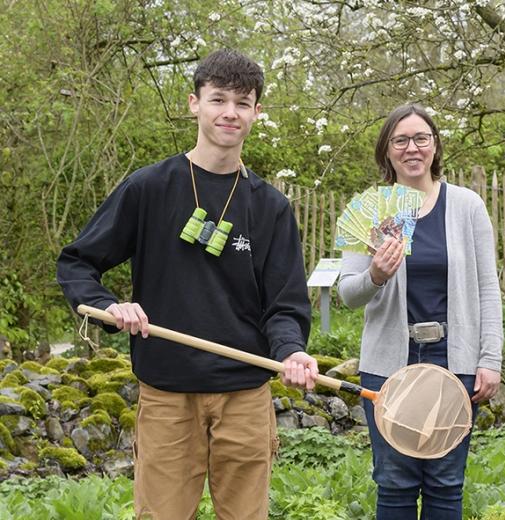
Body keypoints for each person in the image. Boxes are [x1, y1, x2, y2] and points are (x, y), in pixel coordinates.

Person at [56, 49, 318, 519]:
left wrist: (291, 350)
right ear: (194, 103)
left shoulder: (272, 208)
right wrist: (107, 305)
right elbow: (77, 263)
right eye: (218, 99)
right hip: (167, 392)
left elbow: (285, 304)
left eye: (243, 102)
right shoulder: (149, 188)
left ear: (257, 112)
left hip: (245, 393)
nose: (230, 113)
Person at [338, 103, 503, 520]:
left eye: (420, 138)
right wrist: (375, 274)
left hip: (455, 361)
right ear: (387, 151)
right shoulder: (369, 208)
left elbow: (488, 289)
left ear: (434, 146)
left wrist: (490, 359)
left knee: (446, 484)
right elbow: (347, 295)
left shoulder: (467, 205)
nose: (412, 148)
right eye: (400, 140)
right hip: (389, 365)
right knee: (393, 483)